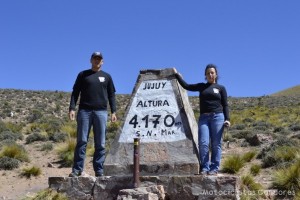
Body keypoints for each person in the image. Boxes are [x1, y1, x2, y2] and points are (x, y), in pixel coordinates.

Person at [174, 64, 230, 175]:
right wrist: (176, 75)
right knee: (203, 143)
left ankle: (214, 168)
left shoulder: (221, 88)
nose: (210, 74)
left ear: (216, 74)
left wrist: (227, 119)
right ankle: (205, 167)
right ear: (205, 75)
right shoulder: (201, 87)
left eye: (212, 72)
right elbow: (186, 86)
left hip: (218, 117)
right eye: (208, 73)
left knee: (216, 143)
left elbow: (225, 105)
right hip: (204, 118)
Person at [68, 51, 117, 177]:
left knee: (100, 143)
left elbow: (111, 95)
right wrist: (72, 108)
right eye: (95, 58)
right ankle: (77, 169)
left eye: (99, 59)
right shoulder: (83, 75)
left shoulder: (107, 77)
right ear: (91, 60)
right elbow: (75, 92)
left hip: (101, 112)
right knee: (82, 141)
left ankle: (99, 170)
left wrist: (114, 111)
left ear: (102, 62)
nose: (97, 60)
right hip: (84, 111)